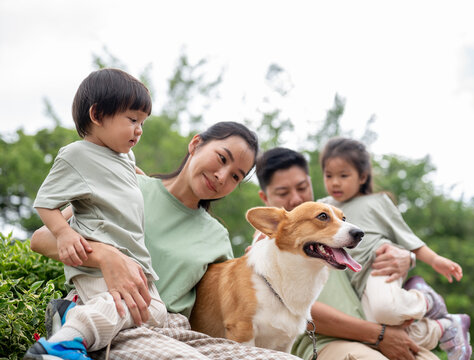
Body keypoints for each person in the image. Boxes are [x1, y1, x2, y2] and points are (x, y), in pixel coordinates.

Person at [30, 122, 301, 360]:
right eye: (221, 158)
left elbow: (220, 305)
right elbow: (42, 239)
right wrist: (105, 255)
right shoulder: (132, 187)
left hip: (177, 331)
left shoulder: (217, 237)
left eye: (235, 176)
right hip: (121, 320)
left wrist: (262, 261)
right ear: (196, 143)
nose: (221, 176)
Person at [25, 68, 167, 359]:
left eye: (142, 121)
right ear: (97, 114)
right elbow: (45, 202)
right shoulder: (76, 155)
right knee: (121, 306)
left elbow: (123, 177)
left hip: (134, 262)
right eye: (132, 119)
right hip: (99, 268)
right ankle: (63, 343)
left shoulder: (124, 157)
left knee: (157, 313)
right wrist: (63, 233)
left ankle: (74, 310)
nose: (139, 129)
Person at [254, 147, 439, 360]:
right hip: (329, 343)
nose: (296, 199)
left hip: (381, 329)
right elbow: (301, 309)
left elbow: (373, 239)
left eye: (302, 187)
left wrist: (406, 256)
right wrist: (379, 335)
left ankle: (436, 313)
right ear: (265, 197)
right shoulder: (266, 242)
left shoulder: (332, 214)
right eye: (283, 193)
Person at [319, 137, 472, 360]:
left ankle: (427, 299)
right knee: (376, 333)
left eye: (344, 175)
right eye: (329, 175)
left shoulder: (377, 202)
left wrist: (437, 260)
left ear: (362, 177)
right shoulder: (324, 205)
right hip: (353, 283)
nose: (335, 183)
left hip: (378, 267)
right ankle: (444, 327)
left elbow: (409, 238)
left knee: (385, 311)